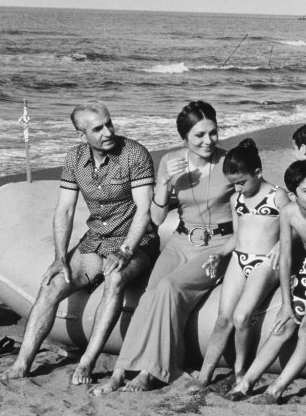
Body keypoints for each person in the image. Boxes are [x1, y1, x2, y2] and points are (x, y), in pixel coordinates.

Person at [0, 101, 159, 385]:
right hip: (95, 240)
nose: (108, 132)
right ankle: (22, 365)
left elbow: (144, 211)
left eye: (109, 123)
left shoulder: (134, 154)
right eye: (98, 128)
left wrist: (124, 251)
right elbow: (65, 211)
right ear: (82, 135)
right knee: (51, 285)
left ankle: (86, 363)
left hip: (136, 240)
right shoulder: (74, 158)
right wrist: (60, 258)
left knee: (115, 279)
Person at [92, 100, 234, 395]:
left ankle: (150, 372)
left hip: (218, 245)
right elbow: (156, 218)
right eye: (199, 135)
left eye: (213, 132)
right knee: (149, 295)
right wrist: (165, 182)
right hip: (181, 241)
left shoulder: (229, 162)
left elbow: (257, 195)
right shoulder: (170, 161)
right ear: (184, 138)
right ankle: (119, 373)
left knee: (169, 287)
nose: (208, 140)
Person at [226, 160, 306, 404]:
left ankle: (275, 390)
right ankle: (245, 382)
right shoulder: (287, 213)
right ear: (294, 195)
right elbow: (284, 258)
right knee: (284, 324)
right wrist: (286, 304)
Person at [190, 138, 290, 390]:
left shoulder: (277, 195)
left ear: (258, 172)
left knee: (242, 316)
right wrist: (220, 254)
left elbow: (295, 227)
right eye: (233, 184)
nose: (238, 188)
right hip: (239, 258)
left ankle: (240, 370)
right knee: (223, 319)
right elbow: (237, 236)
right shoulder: (237, 200)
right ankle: (205, 375)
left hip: (266, 262)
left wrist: (281, 244)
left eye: (242, 182)